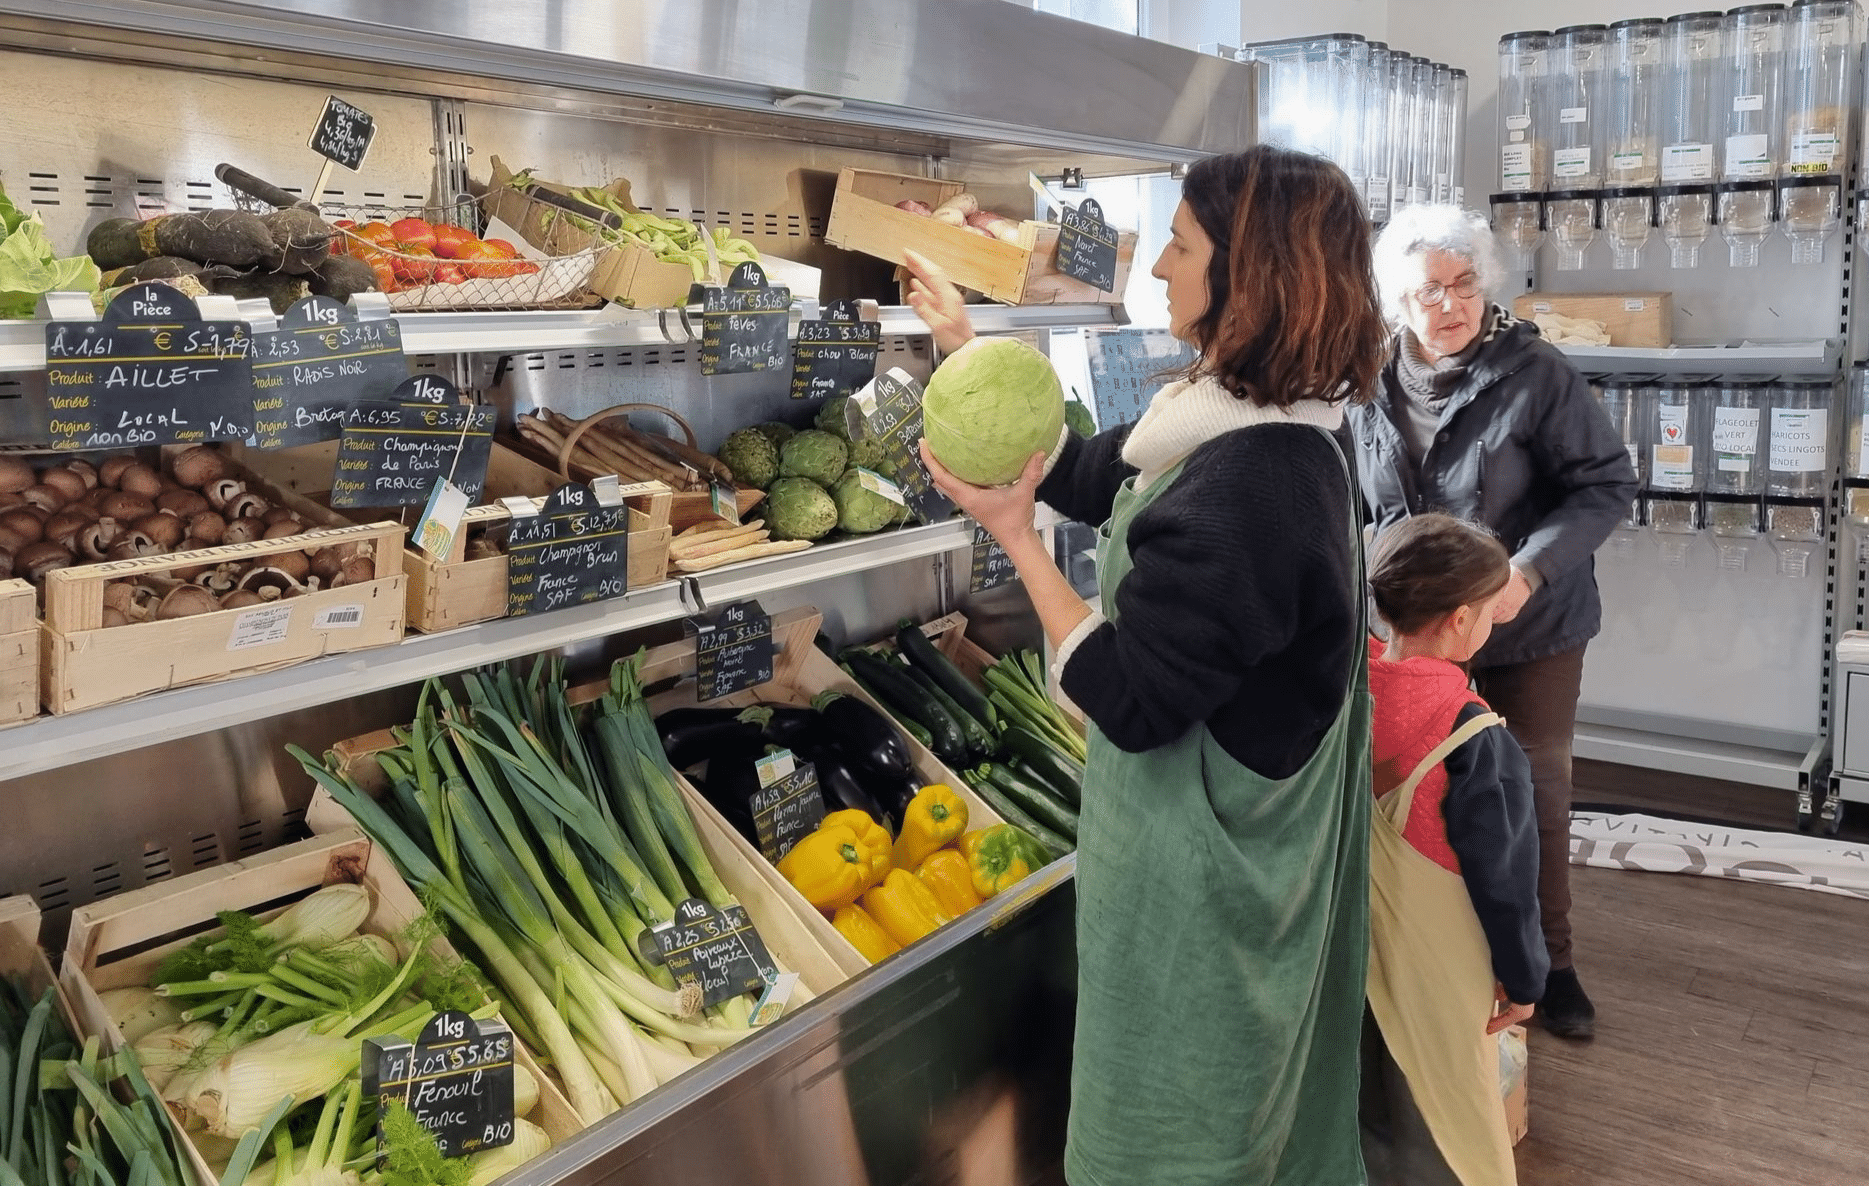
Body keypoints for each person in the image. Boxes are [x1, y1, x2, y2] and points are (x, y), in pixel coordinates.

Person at [907, 144, 1389, 1186]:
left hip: (1208, 876)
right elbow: (1089, 472)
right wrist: (966, 352)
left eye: (1181, 246)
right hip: (1228, 838)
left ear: (1249, 276)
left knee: (1183, 1128)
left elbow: (1129, 700)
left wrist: (1017, 541)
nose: (1161, 268)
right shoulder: (1251, 416)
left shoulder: (1254, 483)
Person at [1346, 204, 1638, 1040]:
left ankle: (1551, 967)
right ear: (1395, 301)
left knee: (1530, 788)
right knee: (1416, 783)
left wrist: (1525, 571)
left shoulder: (1535, 372)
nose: (1451, 303)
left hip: (1528, 622)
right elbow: (1350, 497)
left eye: (1465, 282)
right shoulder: (1364, 379)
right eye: (1429, 289)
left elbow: (1604, 486)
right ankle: (1441, 952)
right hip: (1412, 626)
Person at [1360, 513, 1547, 1186]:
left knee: (1365, 1106)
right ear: (1461, 620)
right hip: (1439, 970)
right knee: (1447, 1119)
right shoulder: (1476, 739)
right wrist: (1524, 981)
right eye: (1491, 614)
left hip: (1347, 950)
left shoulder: (1345, 694)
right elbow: (1505, 885)